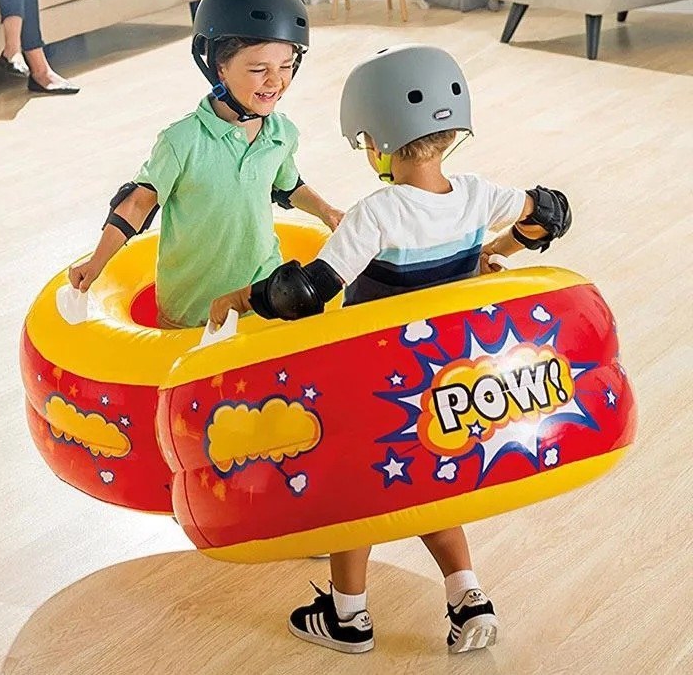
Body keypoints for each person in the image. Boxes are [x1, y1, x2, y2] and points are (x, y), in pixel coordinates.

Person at [209, 44, 572, 654]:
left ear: (375, 143)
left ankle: (347, 616)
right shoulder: (478, 195)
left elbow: (306, 291)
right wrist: (498, 249)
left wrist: (245, 296)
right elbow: (551, 214)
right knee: (424, 481)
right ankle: (467, 596)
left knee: (353, 491)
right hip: (450, 381)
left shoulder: (376, 214)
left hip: (376, 383)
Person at [68, 0, 342, 328]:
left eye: (286, 66)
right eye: (258, 69)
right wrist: (96, 263)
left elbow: (288, 185)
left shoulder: (281, 133)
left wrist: (327, 212)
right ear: (219, 67)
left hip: (260, 295)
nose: (275, 81)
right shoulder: (181, 141)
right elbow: (136, 204)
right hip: (191, 306)